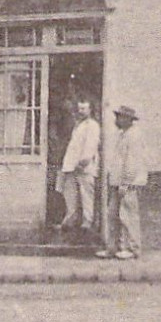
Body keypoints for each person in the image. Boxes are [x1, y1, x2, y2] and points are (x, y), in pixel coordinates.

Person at [99, 105, 146, 260]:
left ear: (127, 119)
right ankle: (113, 248)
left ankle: (133, 249)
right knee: (112, 215)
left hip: (128, 184)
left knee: (128, 216)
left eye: (119, 117)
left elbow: (132, 162)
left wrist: (125, 182)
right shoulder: (123, 134)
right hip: (117, 182)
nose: (116, 120)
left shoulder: (134, 136)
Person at [56, 99, 101, 242]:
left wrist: (83, 162)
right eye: (79, 108)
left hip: (84, 167)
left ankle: (88, 223)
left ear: (90, 110)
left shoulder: (92, 125)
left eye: (84, 109)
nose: (80, 111)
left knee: (86, 196)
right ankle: (69, 221)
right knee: (70, 195)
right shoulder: (77, 125)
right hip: (71, 166)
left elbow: (91, 146)